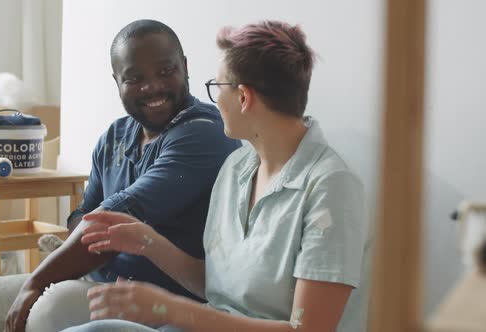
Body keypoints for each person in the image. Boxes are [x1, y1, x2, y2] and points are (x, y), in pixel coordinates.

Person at [0, 19, 240, 332]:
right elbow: (81, 217)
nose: (152, 87)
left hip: (156, 301)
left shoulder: (203, 132)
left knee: (43, 311)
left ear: (185, 68)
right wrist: (85, 246)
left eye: (166, 72)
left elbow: (114, 217)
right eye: (135, 78)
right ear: (117, 81)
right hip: (96, 280)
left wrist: (38, 282)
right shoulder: (116, 137)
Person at [60, 20, 371, 332]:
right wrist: (146, 241)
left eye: (217, 86)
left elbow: (309, 330)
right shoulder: (236, 167)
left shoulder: (330, 188)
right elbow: (216, 287)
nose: (213, 100)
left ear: (243, 98)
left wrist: (170, 309)